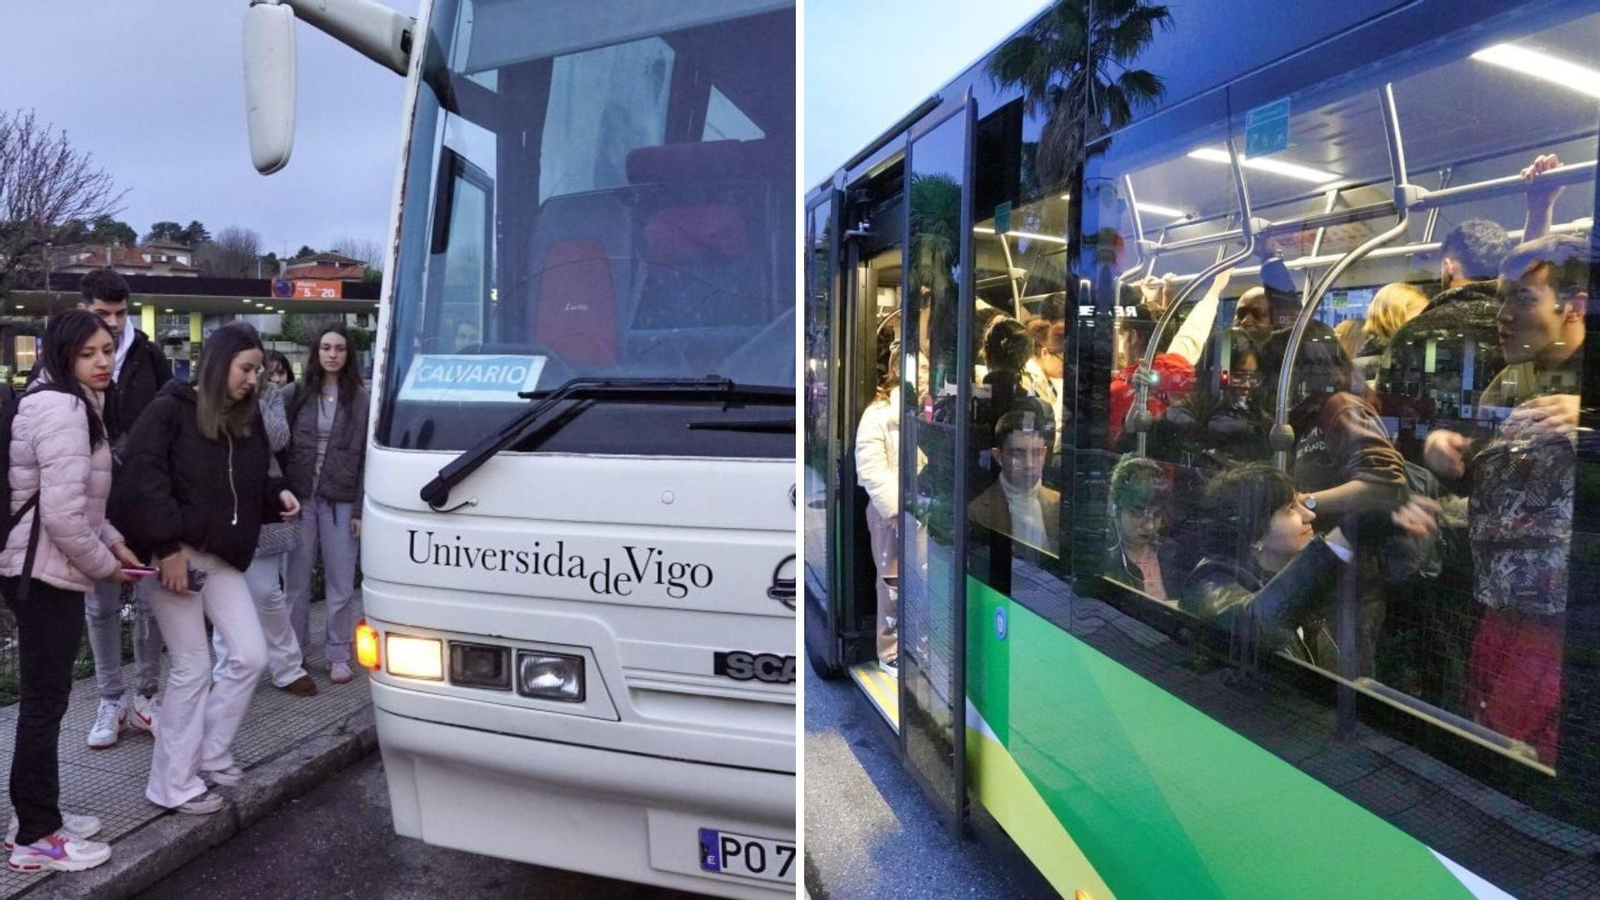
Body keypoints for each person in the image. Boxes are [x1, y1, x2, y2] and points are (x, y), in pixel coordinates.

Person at [110, 323, 301, 814]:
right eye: (246, 368)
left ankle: (209, 754)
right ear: (219, 364)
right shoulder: (169, 411)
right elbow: (140, 482)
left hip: (220, 558)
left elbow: (249, 479)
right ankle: (171, 784)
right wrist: (167, 548)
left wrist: (274, 493)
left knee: (251, 655)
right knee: (193, 667)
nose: (254, 379)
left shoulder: (247, 417)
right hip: (176, 556)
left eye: (258, 370)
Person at [1419, 234, 1591, 763]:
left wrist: (1589, 422)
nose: (1502, 314)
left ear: (1574, 307)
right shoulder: (1509, 382)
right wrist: (1445, 452)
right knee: (1492, 744)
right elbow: (1485, 470)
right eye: (1501, 297)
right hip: (1503, 606)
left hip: (1567, 625)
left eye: (1522, 298)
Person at [1, 311, 139, 872]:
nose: (102, 361)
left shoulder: (69, 400)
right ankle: (35, 836)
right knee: (43, 702)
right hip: (42, 572)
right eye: (88, 353)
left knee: (47, 700)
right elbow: (59, 515)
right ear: (63, 355)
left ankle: (35, 812)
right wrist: (106, 565)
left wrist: (117, 542)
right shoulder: (62, 409)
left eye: (107, 349)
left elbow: (78, 502)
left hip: (45, 566)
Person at [1180, 464, 1437, 667]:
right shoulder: (1208, 581)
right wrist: (1342, 539)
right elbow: (1253, 626)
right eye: (1290, 509)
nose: (1310, 514)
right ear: (1254, 532)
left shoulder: (1298, 581)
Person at [76, 268, 172, 750]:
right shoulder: (65, 356)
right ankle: (111, 698)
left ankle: (146, 696)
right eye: (102, 314)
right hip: (94, 503)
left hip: (143, 496)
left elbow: (168, 420)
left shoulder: (149, 355)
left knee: (152, 605)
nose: (112, 323)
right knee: (102, 607)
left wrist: (132, 454)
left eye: (119, 313)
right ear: (84, 310)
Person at [212, 372, 317, 697]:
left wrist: (252, 399)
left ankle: (286, 666)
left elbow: (277, 438)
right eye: (242, 366)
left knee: (267, 592)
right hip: (219, 503)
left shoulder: (269, 395)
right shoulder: (207, 394)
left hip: (264, 498)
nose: (249, 374)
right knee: (222, 592)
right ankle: (226, 668)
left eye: (254, 367)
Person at [284, 323, 369, 684]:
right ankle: (294, 652)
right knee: (296, 583)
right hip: (301, 500)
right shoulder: (297, 393)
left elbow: (367, 456)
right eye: (326, 348)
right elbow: (276, 440)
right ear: (316, 352)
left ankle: (337, 652)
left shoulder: (361, 399)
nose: (332, 354)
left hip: (341, 502)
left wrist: (360, 509)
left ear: (348, 354)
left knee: (340, 583)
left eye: (339, 348)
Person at [854, 318, 901, 675]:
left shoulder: (929, 409)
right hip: (892, 514)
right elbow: (871, 468)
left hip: (924, 512)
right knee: (892, 581)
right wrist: (895, 510)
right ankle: (890, 651)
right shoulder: (879, 414)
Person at [969, 404, 1059, 557]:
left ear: (1044, 453)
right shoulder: (978, 513)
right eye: (1018, 453)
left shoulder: (1058, 504)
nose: (1029, 464)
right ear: (998, 456)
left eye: (1036, 453)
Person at [1103, 456, 1180, 604]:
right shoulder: (1104, 557)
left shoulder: (1170, 553)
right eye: (1138, 514)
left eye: (1157, 515)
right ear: (1116, 508)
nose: (1150, 526)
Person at [1355, 283, 1427, 386]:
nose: (1424, 326)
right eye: (1417, 320)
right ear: (1392, 320)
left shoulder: (1409, 361)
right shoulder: (1378, 367)